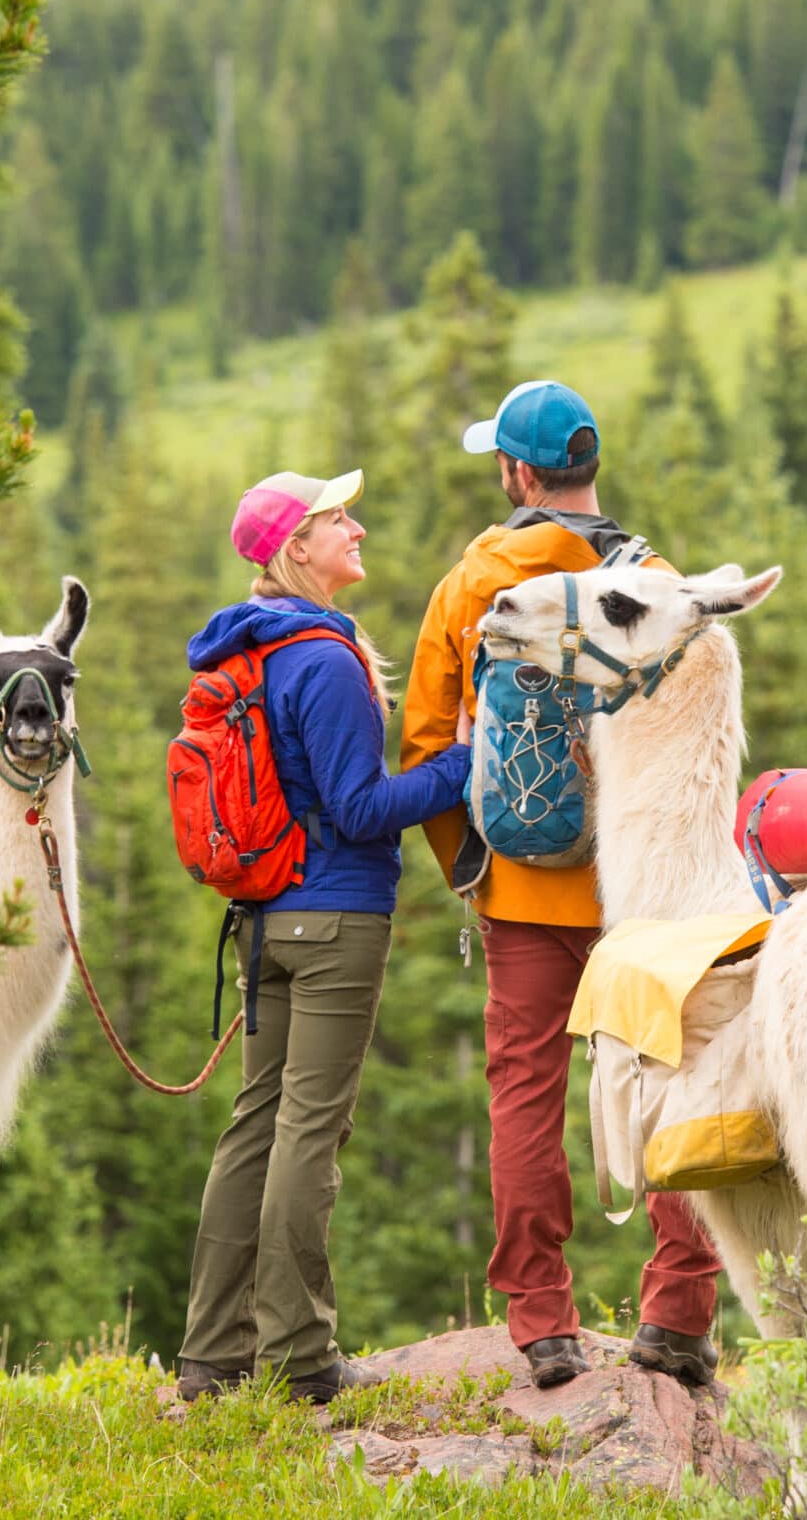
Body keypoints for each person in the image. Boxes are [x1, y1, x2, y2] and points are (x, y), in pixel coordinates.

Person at [400, 381, 726, 1389]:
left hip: (524, 895)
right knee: (665, 1082)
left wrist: (472, 863)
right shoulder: (652, 580)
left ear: (518, 473)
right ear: (589, 467)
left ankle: (542, 1319)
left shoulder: (471, 588)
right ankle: (677, 1314)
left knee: (527, 1090)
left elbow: (423, 743)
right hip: (646, 900)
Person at [176, 470, 474, 1405]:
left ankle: (210, 1356)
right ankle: (302, 1359)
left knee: (253, 1128)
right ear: (294, 549)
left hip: (267, 919)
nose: (359, 525)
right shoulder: (325, 660)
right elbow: (359, 808)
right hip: (339, 918)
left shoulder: (252, 653)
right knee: (309, 1132)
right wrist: (468, 765)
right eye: (337, 517)